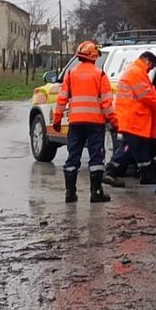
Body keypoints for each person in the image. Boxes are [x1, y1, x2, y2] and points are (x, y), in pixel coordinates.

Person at [54, 40, 114, 204]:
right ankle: (96, 193)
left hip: (75, 122)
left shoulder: (70, 74)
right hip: (95, 123)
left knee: (73, 156)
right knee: (96, 157)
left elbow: (61, 99)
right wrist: (113, 121)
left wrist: (57, 119)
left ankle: (70, 193)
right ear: (94, 56)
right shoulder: (100, 75)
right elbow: (107, 103)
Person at [105, 50, 156, 185]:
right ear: (147, 61)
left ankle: (146, 175)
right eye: (151, 66)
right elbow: (146, 95)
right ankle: (110, 171)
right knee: (129, 148)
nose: (150, 70)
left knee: (139, 149)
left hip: (133, 119)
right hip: (133, 120)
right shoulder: (136, 72)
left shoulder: (136, 71)